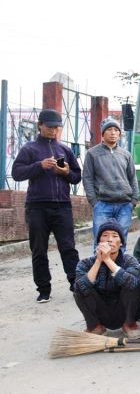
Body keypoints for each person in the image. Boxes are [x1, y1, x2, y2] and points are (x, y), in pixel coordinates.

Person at [11, 109, 81, 303]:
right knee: (39, 249)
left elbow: (77, 176)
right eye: (49, 127)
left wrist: (66, 172)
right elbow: (17, 173)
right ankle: (44, 289)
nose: (53, 131)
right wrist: (39, 166)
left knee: (68, 247)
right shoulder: (29, 149)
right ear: (40, 125)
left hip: (62, 206)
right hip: (37, 207)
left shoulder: (65, 150)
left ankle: (76, 284)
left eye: (56, 127)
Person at [73, 220, 140, 339]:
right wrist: (98, 261)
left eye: (115, 236)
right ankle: (95, 326)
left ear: (120, 243)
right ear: (99, 242)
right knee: (78, 289)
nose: (109, 239)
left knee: (134, 285)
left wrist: (108, 260)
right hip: (100, 311)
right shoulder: (85, 263)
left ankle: (129, 324)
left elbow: (133, 284)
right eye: (105, 236)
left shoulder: (129, 261)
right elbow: (80, 288)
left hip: (124, 310)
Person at [83, 117, 138, 245]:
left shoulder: (126, 154)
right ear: (103, 134)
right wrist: (94, 201)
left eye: (116, 130)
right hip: (102, 204)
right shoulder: (92, 153)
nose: (113, 133)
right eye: (109, 130)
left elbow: (132, 178)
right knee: (101, 240)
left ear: (119, 134)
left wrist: (133, 200)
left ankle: (119, 265)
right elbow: (87, 178)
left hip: (125, 205)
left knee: (120, 241)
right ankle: (100, 265)